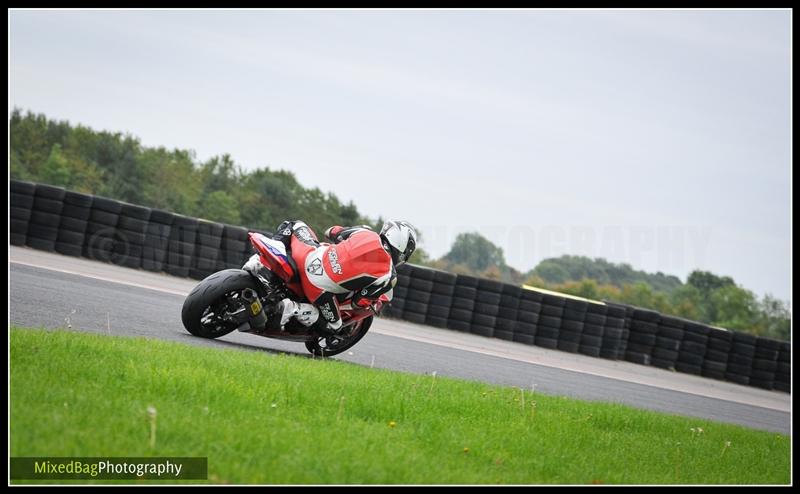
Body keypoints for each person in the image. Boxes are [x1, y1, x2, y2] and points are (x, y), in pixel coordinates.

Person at [272, 219, 417, 334]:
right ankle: (293, 308)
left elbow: (331, 232)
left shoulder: (364, 232)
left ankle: (270, 255)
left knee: (295, 224)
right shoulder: (388, 275)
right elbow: (358, 302)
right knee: (334, 326)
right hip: (317, 287)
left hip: (307, 255)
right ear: (403, 247)